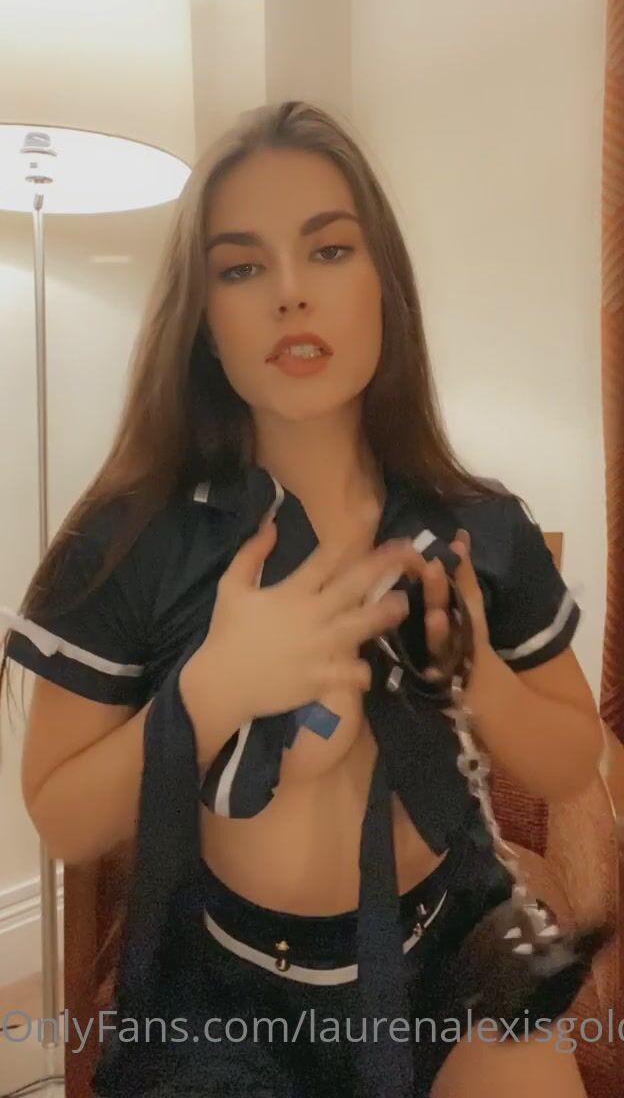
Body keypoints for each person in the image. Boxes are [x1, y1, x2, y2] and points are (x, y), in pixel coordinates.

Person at [0, 101, 604, 1098]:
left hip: (451, 956)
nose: (290, 292)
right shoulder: (134, 539)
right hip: (224, 995)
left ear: (383, 288)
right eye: (242, 267)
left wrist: (480, 680)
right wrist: (214, 690)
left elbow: (572, 756)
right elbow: (61, 818)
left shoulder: (480, 528)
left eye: (328, 250)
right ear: (204, 318)